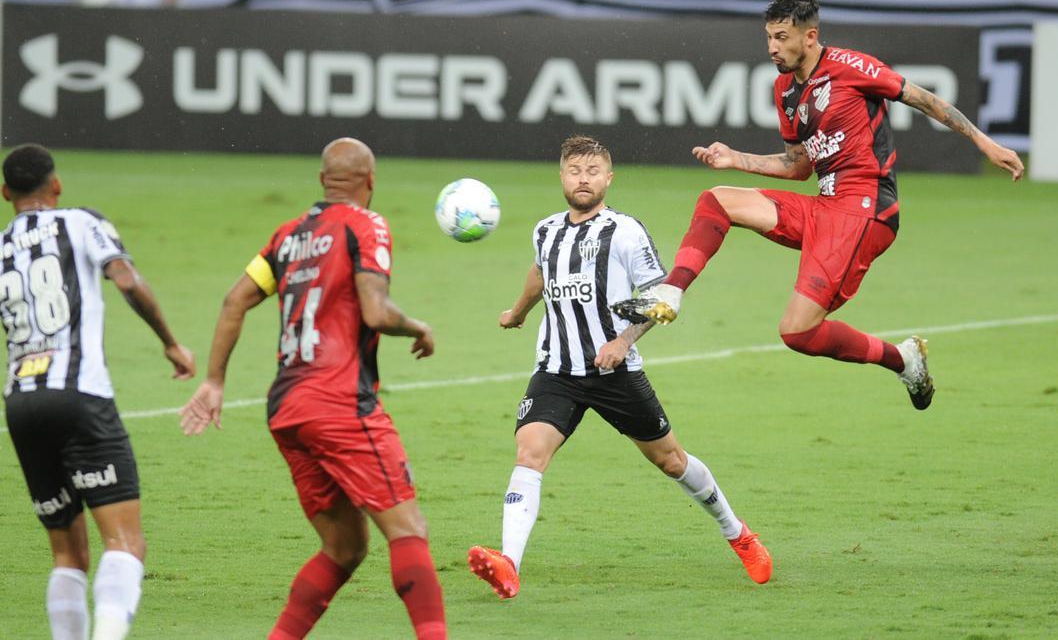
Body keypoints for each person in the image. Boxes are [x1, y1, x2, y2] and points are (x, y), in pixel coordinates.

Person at [614, 0, 1024, 409]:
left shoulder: (852, 67)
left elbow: (925, 100)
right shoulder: (785, 90)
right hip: (826, 205)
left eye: (781, 37)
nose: (773, 48)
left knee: (796, 332)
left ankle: (901, 358)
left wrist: (983, 142)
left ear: (810, 37)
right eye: (768, 37)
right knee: (716, 200)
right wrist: (735, 158)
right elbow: (798, 167)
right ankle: (670, 293)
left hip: (866, 211)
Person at [468, 135, 771, 600]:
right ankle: (509, 565)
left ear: (608, 178)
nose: (583, 179)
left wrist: (622, 340)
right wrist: (519, 311)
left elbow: (662, 296)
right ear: (562, 177)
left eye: (592, 171)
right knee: (530, 454)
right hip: (556, 370)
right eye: (574, 171)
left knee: (671, 460)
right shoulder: (546, 230)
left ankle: (738, 533)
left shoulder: (626, 232)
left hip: (616, 373)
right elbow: (540, 271)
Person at [178, 138, 447, 638]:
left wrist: (215, 380)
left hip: (287, 408)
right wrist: (418, 327)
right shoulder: (368, 224)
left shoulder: (287, 236)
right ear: (371, 181)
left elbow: (234, 300)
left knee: (345, 548)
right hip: (339, 400)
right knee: (409, 531)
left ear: (323, 181)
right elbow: (375, 311)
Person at [0, 143, 196, 640]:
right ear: (57, 185)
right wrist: (171, 343)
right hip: (80, 394)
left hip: (21, 403)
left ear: (6, 194)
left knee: (67, 554)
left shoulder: (1, 247)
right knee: (125, 543)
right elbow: (126, 280)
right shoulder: (80, 222)